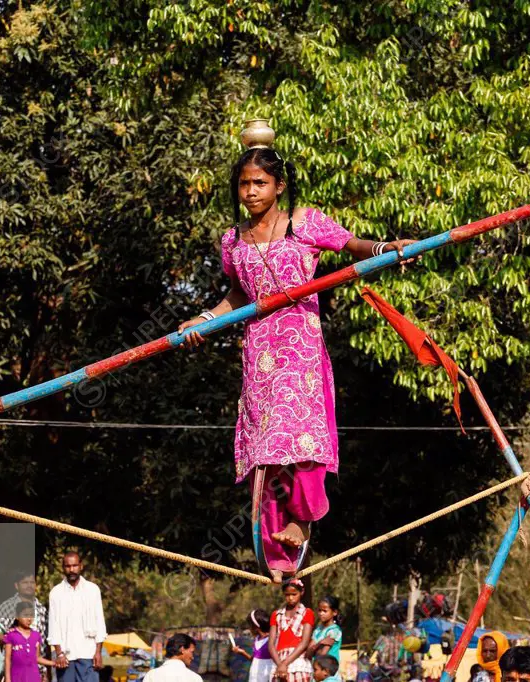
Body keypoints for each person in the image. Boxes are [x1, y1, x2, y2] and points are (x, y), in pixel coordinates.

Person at [177, 141, 416, 582]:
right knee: (268, 451)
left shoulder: (302, 223)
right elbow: (237, 296)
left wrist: (387, 247)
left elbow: (350, 245)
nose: (250, 192)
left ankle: (302, 519)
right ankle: (274, 549)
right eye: (244, 184)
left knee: (301, 438)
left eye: (260, 183)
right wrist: (204, 319)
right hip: (259, 354)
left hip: (300, 349)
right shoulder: (232, 241)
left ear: (279, 186)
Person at [48, 551, 108, 682]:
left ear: (81, 566)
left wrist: (98, 652)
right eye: (68, 566)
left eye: (75, 566)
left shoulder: (92, 590)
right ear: (63, 568)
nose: (71, 570)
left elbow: (100, 623)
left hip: (88, 654)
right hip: (65, 657)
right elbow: (53, 626)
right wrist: (59, 653)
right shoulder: (56, 593)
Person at [0, 571, 50, 679]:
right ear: (16, 585)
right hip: (15, 672)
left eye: (32, 582)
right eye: (25, 582)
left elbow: (45, 643)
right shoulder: (6, 608)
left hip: (38, 671)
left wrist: (47, 673)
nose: (29, 585)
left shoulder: (42, 610)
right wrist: (15, 640)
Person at [269, 578, 315, 682]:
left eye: (294, 594)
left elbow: (304, 642)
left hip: (297, 659)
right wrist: (280, 664)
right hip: (278, 660)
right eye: (287, 595)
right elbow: (271, 644)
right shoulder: (276, 615)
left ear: (301, 592)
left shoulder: (307, 613)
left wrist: (285, 663)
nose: (290, 598)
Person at [7, 602, 58, 682]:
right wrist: (8, 679)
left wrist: (54, 663)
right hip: (16, 677)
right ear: (17, 616)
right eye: (25, 615)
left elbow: (37, 658)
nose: (29, 619)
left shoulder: (36, 635)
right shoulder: (11, 635)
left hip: (33, 677)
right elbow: (7, 659)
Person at [233, 609, 274, 682]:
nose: (249, 628)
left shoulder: (271, 640)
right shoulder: (256, 640)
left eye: (250, 625)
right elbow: (254, 660)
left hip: (266, 676)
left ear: (256, 627)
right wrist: (242, 652)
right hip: (254, 677)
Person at [308, 596, 343, 662]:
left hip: (327, 670)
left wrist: (314, 648)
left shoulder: (334, 631)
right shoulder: (318, 630)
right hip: (316, 669)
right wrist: (320, 644)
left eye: (325, 611)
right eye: (319, 610)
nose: (321, 613)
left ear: (334, 612)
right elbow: (308, 653)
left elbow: (322, 655)